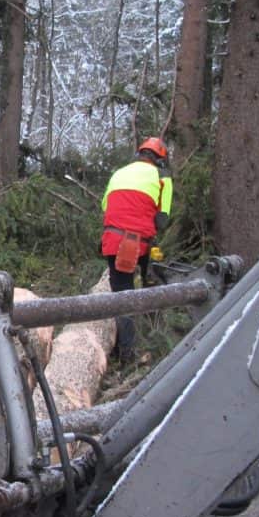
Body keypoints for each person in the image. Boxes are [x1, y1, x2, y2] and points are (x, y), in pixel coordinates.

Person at [99, 137, 173, 361]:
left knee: (120, 292)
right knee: (140, 289)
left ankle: (123, 348)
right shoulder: (163, 177)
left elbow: (105, 206)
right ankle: (140, 345)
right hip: (138, 243)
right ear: (160, 160)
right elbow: (163, 217)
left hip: (112, 240)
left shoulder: (119, 173)